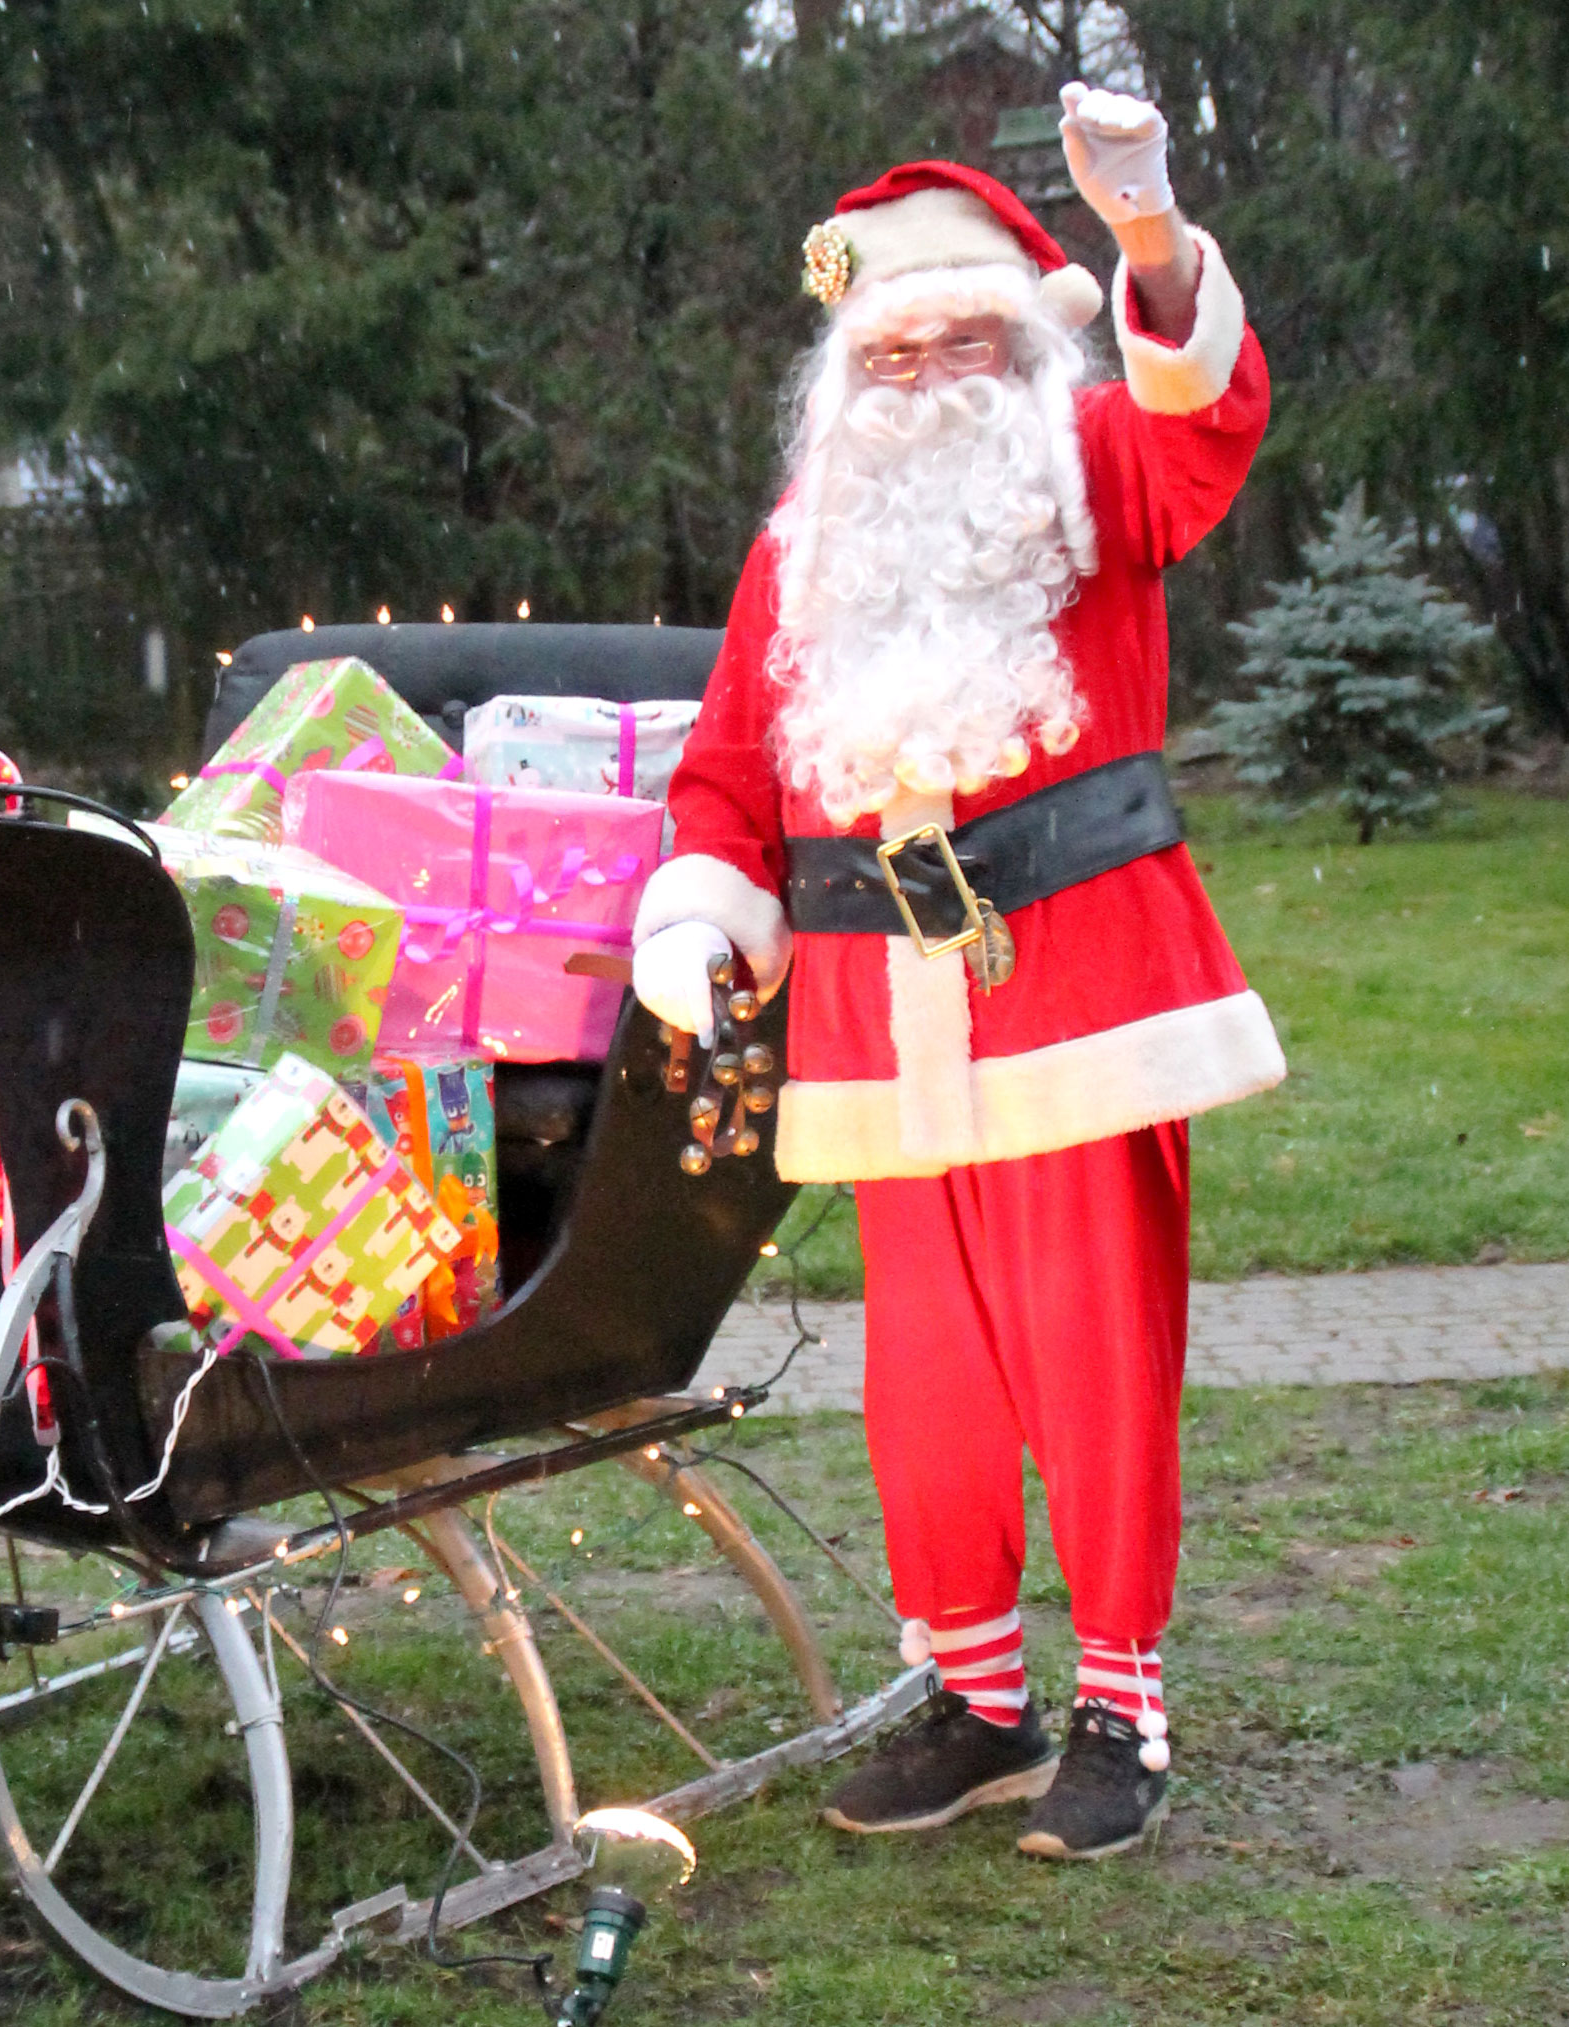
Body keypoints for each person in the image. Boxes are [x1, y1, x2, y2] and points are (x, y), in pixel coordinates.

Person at [632, 85, 1279, 1859]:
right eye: (890, 353)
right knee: (928, 1386)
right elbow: (730, 761)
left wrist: (1148, 234)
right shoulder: (802, 544)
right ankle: (980, 1702)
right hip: (875, 1020)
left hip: (1080, 994)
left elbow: (1205, 415)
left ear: (1026, 347)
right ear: (848, 377)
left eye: (960, 342)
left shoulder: (1098, 475)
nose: (922, 381)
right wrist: (702, 905)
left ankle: (1123, 1712)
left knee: (1094, 1364)